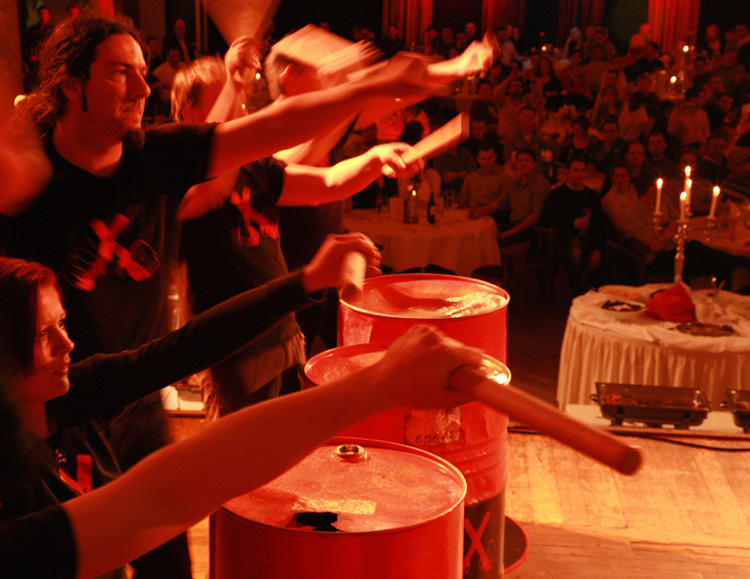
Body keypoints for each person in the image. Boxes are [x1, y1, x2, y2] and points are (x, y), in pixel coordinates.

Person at [0, 15, 445, 577]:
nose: (142, 89)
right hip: (58, 409)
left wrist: (368, 87)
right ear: (70, 84)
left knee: (169, 558)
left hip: (138, 392)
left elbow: (270, 130)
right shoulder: (28, 183)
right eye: (119, 73)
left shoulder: (152, 156)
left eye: (143, 72)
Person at [0, 256, 481, 579]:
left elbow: (184, 348)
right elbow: (162, 498)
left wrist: (303, 283)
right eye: (42, 335)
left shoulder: (67, 395)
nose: (67, 343)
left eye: (62, 323)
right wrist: (375, 386)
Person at [171, 54, 424, 416]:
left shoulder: (253, 165)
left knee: (285, 444)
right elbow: (211, 184)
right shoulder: (177, 179)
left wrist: (376, 159)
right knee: (242, 449)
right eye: (226, 97)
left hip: (284, 337)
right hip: (231, 351)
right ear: (189, 114)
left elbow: (326, 183)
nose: (240, 111)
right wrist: (236, 81)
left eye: (241, 101)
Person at [539, 158, 606, 296]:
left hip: (589, 238)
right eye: (575, 170)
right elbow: (545, 219)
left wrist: (597, 249)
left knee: (613, 253)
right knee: (575, 253)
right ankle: (577, 295)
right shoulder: (558, 194)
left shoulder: (591, 195)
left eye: (582, 170)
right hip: (564, 238)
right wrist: (572, 223)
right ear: (568, 172)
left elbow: (600, 224)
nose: (579, 174)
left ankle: (599, 294)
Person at [470, 148, 551, 246]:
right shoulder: (515, 181)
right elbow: (497, 203)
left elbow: (535, 217)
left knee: (490, 243)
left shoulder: (540, 184)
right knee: (479, 236)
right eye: (520, 160)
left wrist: (507, 234)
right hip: (513, 224)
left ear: (534, 164)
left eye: (527, 160)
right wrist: (479, 211)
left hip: (530, 230)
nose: (522, 164)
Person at [459, 143, 507, 209]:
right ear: (478, 159)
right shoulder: (471, 177)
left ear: (495, 157)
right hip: (470, 211)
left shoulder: (504, 178)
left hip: (492, 213)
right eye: (483, 159)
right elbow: (462, 199)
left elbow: (503, 203)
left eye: (490, 158)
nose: (487, 162)